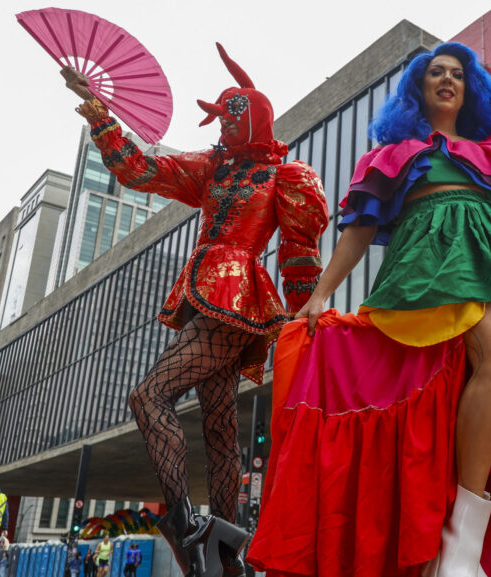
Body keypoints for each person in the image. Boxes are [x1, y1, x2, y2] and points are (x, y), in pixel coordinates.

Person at [247, 42, 491, 577]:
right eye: (435, 72)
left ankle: (459, 541)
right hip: (428, 267)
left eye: (456, 74)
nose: (446, 80)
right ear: (418, 88)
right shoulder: (393, 154)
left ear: (469, 88)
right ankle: (458, 544)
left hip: (484, 264)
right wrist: (321, 294)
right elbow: (359, 230)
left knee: (477, 379)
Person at [60, 40, 328, 577]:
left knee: (149, 395)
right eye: (221, 119)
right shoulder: (211, 168)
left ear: (255, 119)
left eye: (233, 117)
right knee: (220, 429)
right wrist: (98, 109)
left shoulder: (286, 176)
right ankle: (226, 556)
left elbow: (300, 256)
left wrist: (307, 317)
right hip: (205, 296)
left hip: (239, 298)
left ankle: (188, 527)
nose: (222, 129)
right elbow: (138, 170)